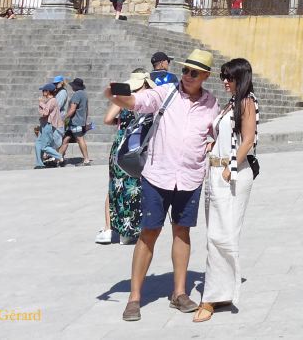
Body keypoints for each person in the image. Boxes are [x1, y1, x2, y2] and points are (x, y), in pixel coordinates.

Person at [107, 49, 219, 322]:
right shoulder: (165, 92)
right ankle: (135, 298)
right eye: (185, 70)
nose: (188, 76)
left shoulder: (211, 103)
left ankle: (179, 293)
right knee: (149, 232)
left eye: (195, 72)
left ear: (205, 76)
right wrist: (117, 95)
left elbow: (215, 131)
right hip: (158, 176)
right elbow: (136, 102)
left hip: (191, 177)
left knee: (182, 233)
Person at [195, 58, 259, 323]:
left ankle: (211, 297)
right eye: (223, 77)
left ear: (240, 78)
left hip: (231, 175)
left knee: (222, 235)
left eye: (229, 77)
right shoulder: (231, 103)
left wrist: (229, 167)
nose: (225, 81)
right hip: (216, 173)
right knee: (215, 233)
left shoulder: (246, 102)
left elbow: (249, 138)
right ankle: (220, 289)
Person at [97, 69, 152, 246]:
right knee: (136, 186)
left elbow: (107, 119)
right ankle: (131, 230)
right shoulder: (151, 98)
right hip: (139, 145)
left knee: (114, 185)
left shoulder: (124, 97)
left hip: (121, 144)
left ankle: (109, 228)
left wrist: (120, 122)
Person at [58, 77, 92, 165]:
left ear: (76, 86)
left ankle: (86, 159)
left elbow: (72, 109)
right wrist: (85, 120)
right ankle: (59, 158)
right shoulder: (84, 94)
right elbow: (86, 109)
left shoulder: (77, 95)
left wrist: (64, 118)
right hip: (78, 121)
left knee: (80, 139)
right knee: (65, 139)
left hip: (75, 121)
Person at [33, 82, 65, 168]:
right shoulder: (48, 101)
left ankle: (59, 156)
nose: (42, 92)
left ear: (48, 91)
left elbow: (45, 113)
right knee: (37, 144)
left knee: (44, 146)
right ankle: (39, 163)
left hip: (48, 125)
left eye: (43, 90)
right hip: (43, 125)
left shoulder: (53, 100)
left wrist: (41, 103)